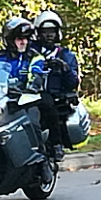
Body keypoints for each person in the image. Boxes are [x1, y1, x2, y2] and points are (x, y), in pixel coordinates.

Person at [0, 17, 61, 158]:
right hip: (1, 99)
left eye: (26, 38)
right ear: (9, 40)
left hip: (27, 99)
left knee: (32, 123)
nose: (23, 42)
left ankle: (39, 155)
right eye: (19, 38)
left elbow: (36, 74)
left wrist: (30, 86)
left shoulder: (35, 58)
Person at [32, 10, 80, 152]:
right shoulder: (29, 52)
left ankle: (56, 143)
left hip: (54, 96)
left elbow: (73, 83)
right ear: (38, 33)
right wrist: (38, 67)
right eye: (45, 31)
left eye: (52, 31)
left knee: (47, 103)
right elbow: (19, 70)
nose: (49, 35)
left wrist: (64, 69)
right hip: (28, 93)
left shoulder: (66, 55)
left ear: (58, 33)